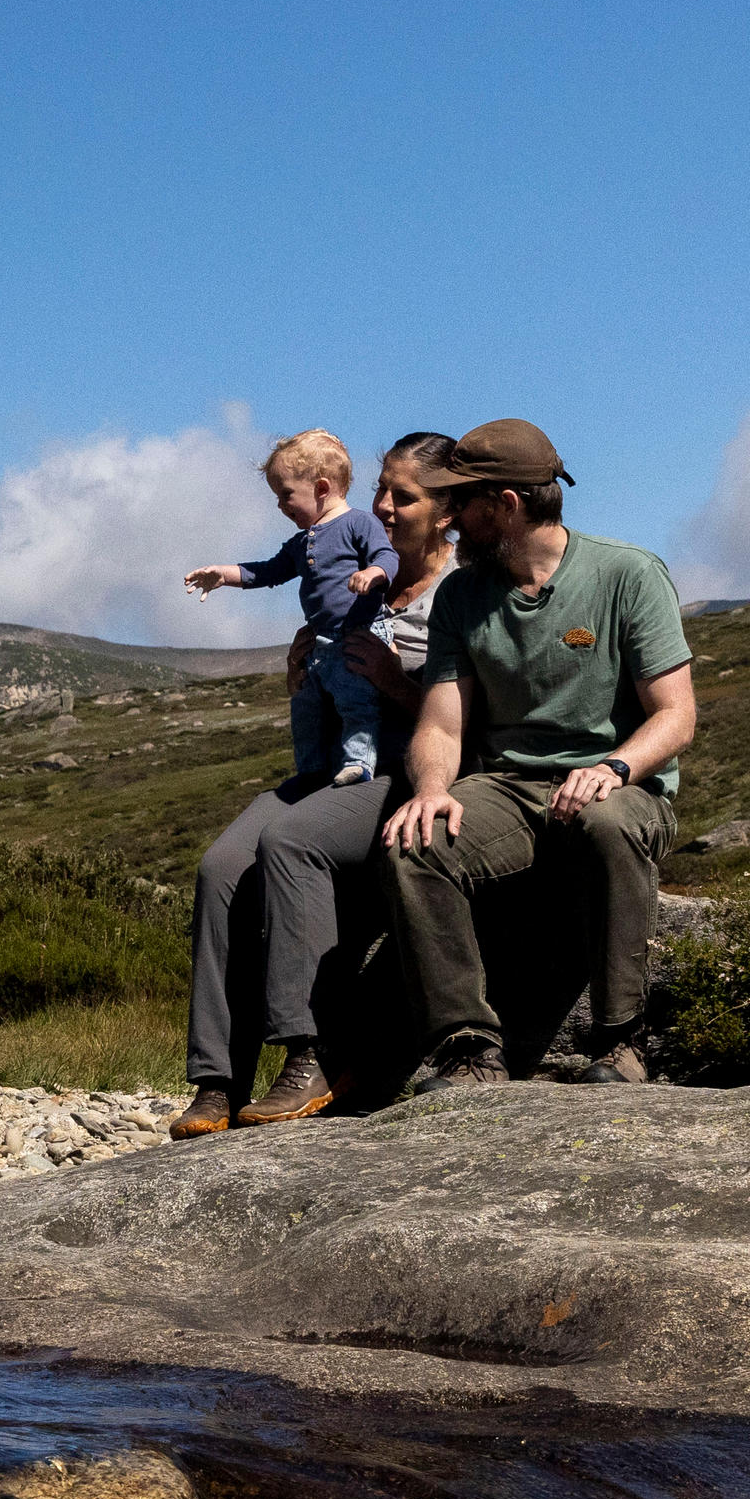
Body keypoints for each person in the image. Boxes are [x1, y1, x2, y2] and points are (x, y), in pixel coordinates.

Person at [377, 418, 697, 1090]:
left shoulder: (628, 574)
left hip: (623, 786)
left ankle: (622, 1043)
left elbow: (675, 717)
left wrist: (611, 769)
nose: (450, 519)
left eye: (461, 502)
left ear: (508, 505)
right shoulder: (462, 597)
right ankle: (468, 1051)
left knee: (607, 825)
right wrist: (433, 787)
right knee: (418, 841)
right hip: (508, 787)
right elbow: (440, 724)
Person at [172, 431, 461, 1134]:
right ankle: (216, 1078)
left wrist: (393, 683)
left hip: (401, 769)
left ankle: (317, 1052)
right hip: (330, 767)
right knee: (220, 867)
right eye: (381, 493)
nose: (385, 508)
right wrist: (305, 670)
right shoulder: (349, 568)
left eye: (404, 497)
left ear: (448, 513)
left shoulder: (460, 596)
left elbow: (468, 718)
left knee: (291, 841)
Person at [184, 432, 394, 789]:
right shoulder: (302, 542)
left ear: (322, 487)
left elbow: (386, 556)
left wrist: (374, 573)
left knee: (356, 701)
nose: (281, 506)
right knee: (306, 708)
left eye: (286, 495)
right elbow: (269, 571)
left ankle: (359, 762)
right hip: (322, 644)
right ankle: (311, 771)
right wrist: (224, 575)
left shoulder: (360, 523)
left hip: (362, 633)